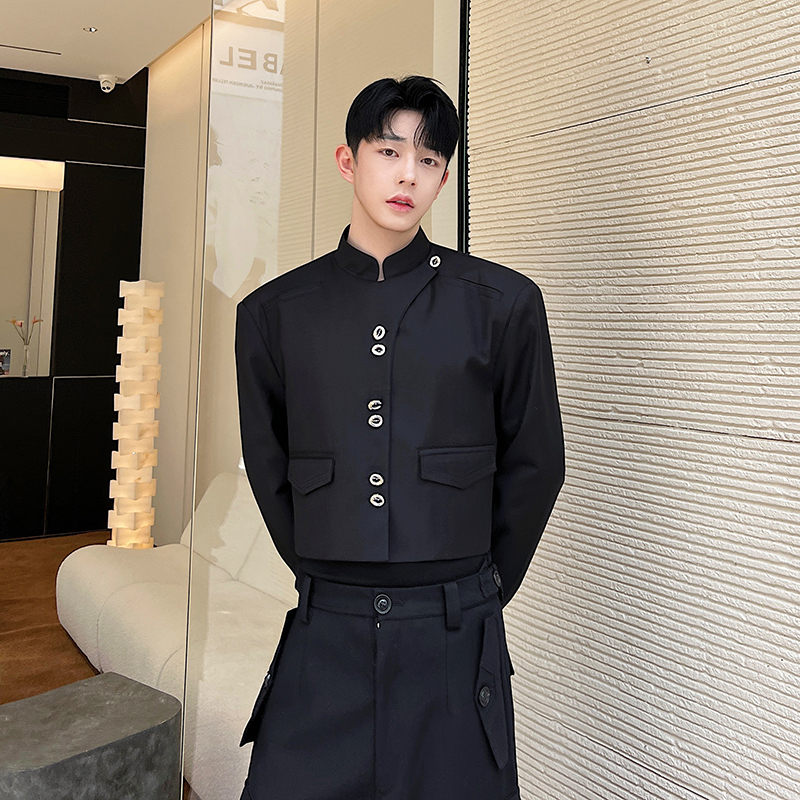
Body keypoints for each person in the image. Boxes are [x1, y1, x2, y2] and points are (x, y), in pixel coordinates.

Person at [234, 74, 565, 800]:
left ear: (444, 177)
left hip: (454, 638)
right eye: (389, 151)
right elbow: (269, 463)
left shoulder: (504, 304)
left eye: (429, 159)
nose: (408, 175)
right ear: (347, 161)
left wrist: (479, 590)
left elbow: (538, 463)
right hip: (326, 634)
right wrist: (325, 574)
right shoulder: (273, 313)